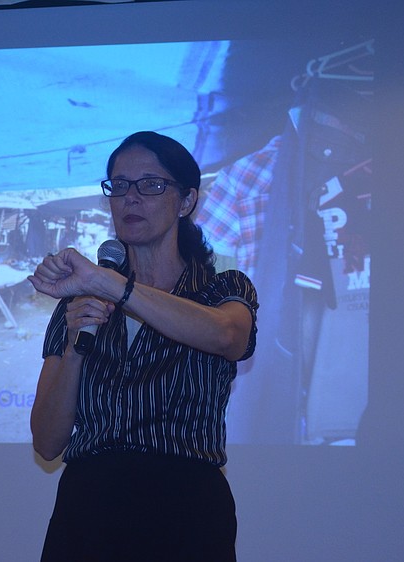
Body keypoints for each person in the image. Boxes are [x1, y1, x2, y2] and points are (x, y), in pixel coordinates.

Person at [27, 131, 259, 561]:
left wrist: (109, 283)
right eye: (119, 185)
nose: (130, 198)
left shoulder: (222, 290)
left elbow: (227, 336)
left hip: (185, 512)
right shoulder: (80, 304)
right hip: (87, 512)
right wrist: (76, 351)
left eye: (151, 185)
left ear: (186, 201)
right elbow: (46, 442)